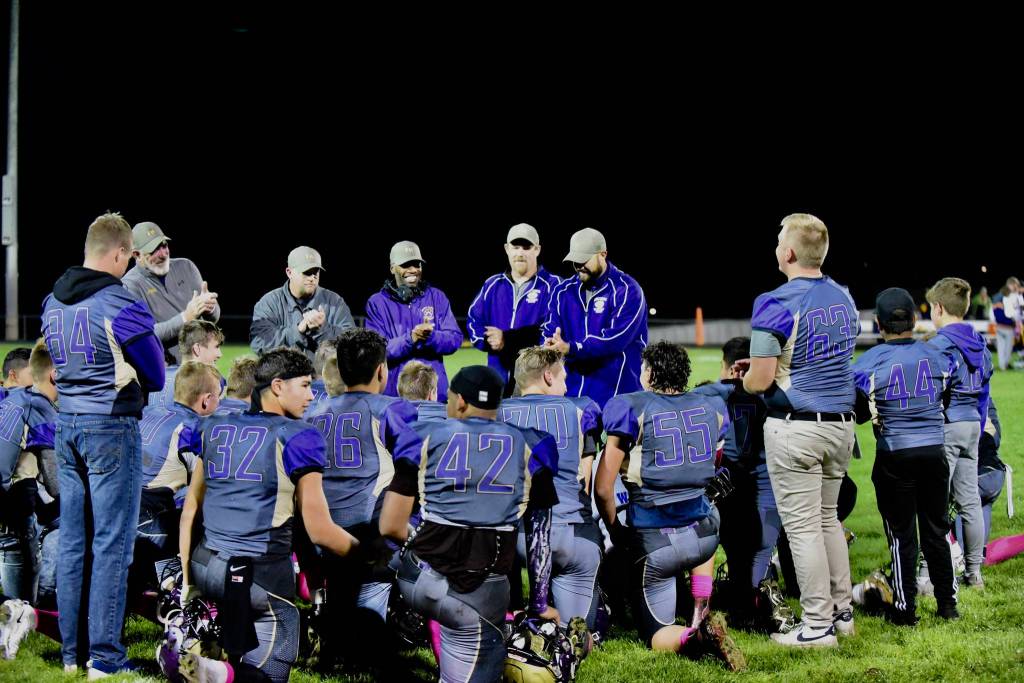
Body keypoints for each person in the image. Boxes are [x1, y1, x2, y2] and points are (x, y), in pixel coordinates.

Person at [176, 347, 357, 683]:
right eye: (303, 385)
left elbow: (190, 510)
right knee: (278, 647)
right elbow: (318, 530)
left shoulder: (214, 425)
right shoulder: (299, 436)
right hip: (256, 572)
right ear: (277, 386)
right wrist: (366, 554)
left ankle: (217, 665)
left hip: (206, 564)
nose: (310, 394)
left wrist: (188, 581)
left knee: (241, 640)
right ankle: (219, 675)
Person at [379, 365, 561, 683]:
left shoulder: (422, 436)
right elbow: (539, 537)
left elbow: (391, 526)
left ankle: (410, 621)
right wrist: (539, 604)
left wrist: (422, 543)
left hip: (416, 579)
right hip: (480, 591)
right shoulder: (535, 446)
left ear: (460, 401)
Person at [41, 212, 165, 676]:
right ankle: (106, 660)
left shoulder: (52, 300)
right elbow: (153, 373)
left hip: (67, 424)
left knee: (74, 542)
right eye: (129, 256)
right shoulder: (119, 301)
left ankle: (72, 655)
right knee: (113, 545)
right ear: (118, 253)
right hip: (110, 426)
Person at [741, 213, 858, 647]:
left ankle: (818, 626)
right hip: (840, 426)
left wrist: (747, 377)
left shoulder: (775, 301)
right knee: (828, 520)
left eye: (778, 240)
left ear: (787, 252)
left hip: (797, 426)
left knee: (804, 528)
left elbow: (762, 380)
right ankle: (842, 614)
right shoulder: (843, 296)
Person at [595, 341, 743, 670]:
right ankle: (699, 611)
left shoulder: (632, 407)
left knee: (656, 632)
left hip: (657, 542)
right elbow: (715, 462)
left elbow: (603, 489)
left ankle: (696, 636)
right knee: (707, 507)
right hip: (704, 538)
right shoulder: (711, 405)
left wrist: (617, 531)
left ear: (648, 373)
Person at [303, 328, 420, 671]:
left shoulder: (314, 412)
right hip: (370, 540)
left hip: (322, 539)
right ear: (382, 370)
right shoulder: (392, 409)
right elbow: (412, 468)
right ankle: (405, 622)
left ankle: (333, 627)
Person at [852, 287, 958, 624]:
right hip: (933, 451)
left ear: (879, 323)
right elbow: (946, 399)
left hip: (895, 453)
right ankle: (948, 606)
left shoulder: (868, 361)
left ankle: (905, 609)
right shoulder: (939, 356)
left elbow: (859, 412)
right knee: (937, 530)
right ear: (914, 318)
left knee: (902, 536)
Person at [499, 347, 603, 629]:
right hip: (573, 534)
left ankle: (515, 614)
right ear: (547, 376)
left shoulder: (497, 413)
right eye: (563, 378)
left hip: (516, 539)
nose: (567, 386)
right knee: (576, 633)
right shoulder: (582, 409)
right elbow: (585, 477)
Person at [692, 337, 786, 630]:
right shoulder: (777, 394)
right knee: (762, 547)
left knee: (727, 545)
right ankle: (757, 605)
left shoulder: (713, 392)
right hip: (767, 481)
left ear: (732, 367)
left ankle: (725, 604)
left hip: (729, 479)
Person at [926, 277, 994, 588]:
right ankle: (973, 573)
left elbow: (933, 392)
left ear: (938, 308)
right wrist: (978, 429)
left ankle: (928, 572)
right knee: (969, 502)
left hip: (948, 425)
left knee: (934, 503)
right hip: (971, 428)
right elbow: (985, 394)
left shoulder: (940, 345)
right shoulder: (981, 343)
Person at [134, 362, 223, 593]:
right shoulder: (193, 429)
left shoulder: (146, 412)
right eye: (218, 398)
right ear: (206, 400)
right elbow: (208, 488)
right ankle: (176, 582)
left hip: (115, 512)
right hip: (151, 523)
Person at [541, 227, 647, 409]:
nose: (578, 266)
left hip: (617, 393)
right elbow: (550, 329)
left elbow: (614, 340)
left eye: (583, 260)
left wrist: (572, 348)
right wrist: (549, 343)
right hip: (573, 393)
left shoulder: (627, 289)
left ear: (603, 254)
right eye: (574, 260)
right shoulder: (562, 292)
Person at [467, 223, 561, 395]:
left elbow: (550, 332)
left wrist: (507, 341)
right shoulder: (492, 285)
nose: (520, 253)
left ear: (537, 249)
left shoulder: (555, 286)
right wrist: (488, 341)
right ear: (506, 249)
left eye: (526, 247)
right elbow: (474, 321)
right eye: (515, 247)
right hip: (497, 379)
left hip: (537, 382)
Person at [364, 241, 463, 401]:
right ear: (392, 268)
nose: (412, 270)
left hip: (435, 394)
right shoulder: (377, 303)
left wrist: (431, 336)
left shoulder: (437, 297)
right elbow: (376, 351)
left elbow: (455, 339)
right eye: (405, 265)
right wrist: (410, 339)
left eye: (416, 264)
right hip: (395, 396)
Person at [0, 340, 59, 603]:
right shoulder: (38, 404)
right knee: (20, 607)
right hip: (9, 508)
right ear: (54, 374)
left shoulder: (8, 397)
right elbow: (55, 482)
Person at [122, 221, 220, 365]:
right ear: (137, 254)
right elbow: (144, 335)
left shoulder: (186, 266)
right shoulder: (130, 285)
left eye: (164, 245)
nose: (163, 254)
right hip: (168, 372)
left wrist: (211, 307)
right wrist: (185, 317)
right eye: (154, 250)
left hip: (203, 366)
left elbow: (214, 317)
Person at [249, 246, 356, 363]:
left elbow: (352, 345)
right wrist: (298, 331)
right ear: (289, 273)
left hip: (323, 379)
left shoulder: (335, 302)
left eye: (316, 272)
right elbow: (258, 344)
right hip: (283, 379)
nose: (312, 277)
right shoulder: (268, 303)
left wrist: (322, 330)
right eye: (306, 272)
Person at [147, 320, 224, 409]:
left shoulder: (160, 375)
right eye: (216, 347)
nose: (220, 354)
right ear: (197, 348)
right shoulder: (205, 382)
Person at [992, 277, 1022, 371]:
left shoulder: (997, 296)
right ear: (1011, 285)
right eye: (1015, 286)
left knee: (1001, 348)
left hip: (999, 326)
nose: (1016, 288)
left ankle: (1003, 366)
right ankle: (1004, 365)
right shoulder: (1009, 297)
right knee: (1007, 349)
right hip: (1007, 327)